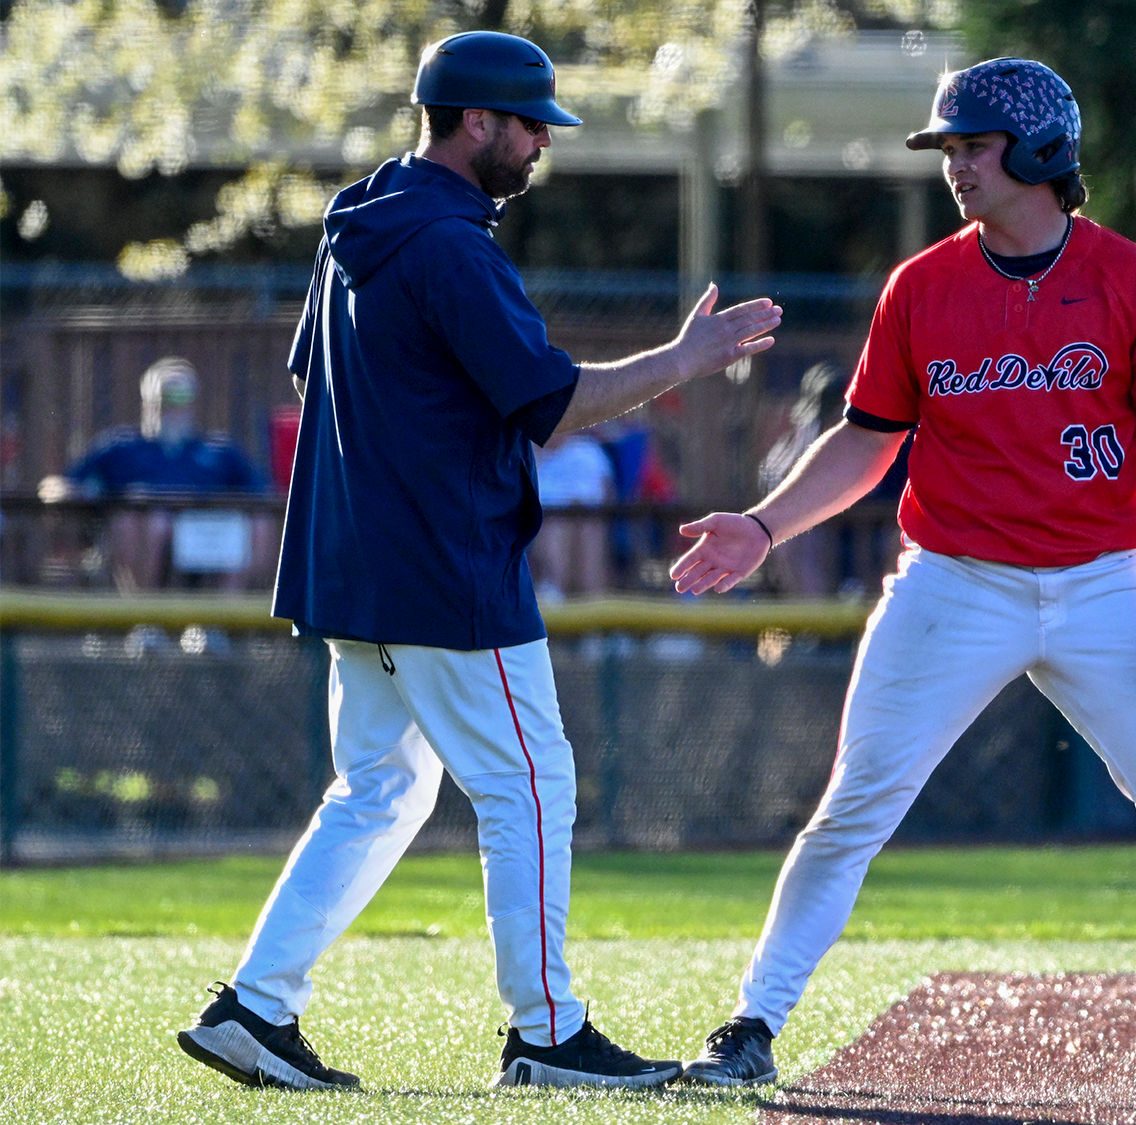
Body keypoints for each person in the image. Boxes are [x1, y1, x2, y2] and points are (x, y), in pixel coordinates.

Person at [667, 57, 1136, 1095]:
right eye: (950, 150)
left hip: (1106, 584)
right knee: (854, 806)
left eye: (974, 146)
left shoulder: (1130, 278)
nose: (956, 168)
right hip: (953, 583)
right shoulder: (920, 285)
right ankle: (750, 1024)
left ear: (1040, 153)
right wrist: (763, 523)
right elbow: (866, 441)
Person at [175, 30, 781, 1093]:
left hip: (352, 561)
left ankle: (254, 1010)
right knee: (531, 783)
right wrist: (685, 358)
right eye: (529, 124)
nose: (541, 144)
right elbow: (549, 403)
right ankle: (546, 1033)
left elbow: (319, 377)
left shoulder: (358, 218)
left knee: (380, 790)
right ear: (474, 122)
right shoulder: (451, 244)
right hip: (442, 565)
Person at [59, 357, 267, 589]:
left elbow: (260, 492)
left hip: (206, 530)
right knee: (146, 520)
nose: (173, 406)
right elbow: (63, 484)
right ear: (147, 401)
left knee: (256, 522)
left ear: (194, 402)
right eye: (165, 397)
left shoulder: (220, 449)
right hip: (142, 530)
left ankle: (224, 616)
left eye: (182, 397)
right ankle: (144, 616)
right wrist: (78, 493)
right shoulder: (120, 445)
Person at [531, 427, 615, 601]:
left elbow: (608, 495)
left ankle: (590, 597)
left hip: (589, 521)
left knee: (586, 523)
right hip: (543, 523)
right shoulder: (529, 455)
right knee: (558, 524)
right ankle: (556, 588)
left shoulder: (588, 451)